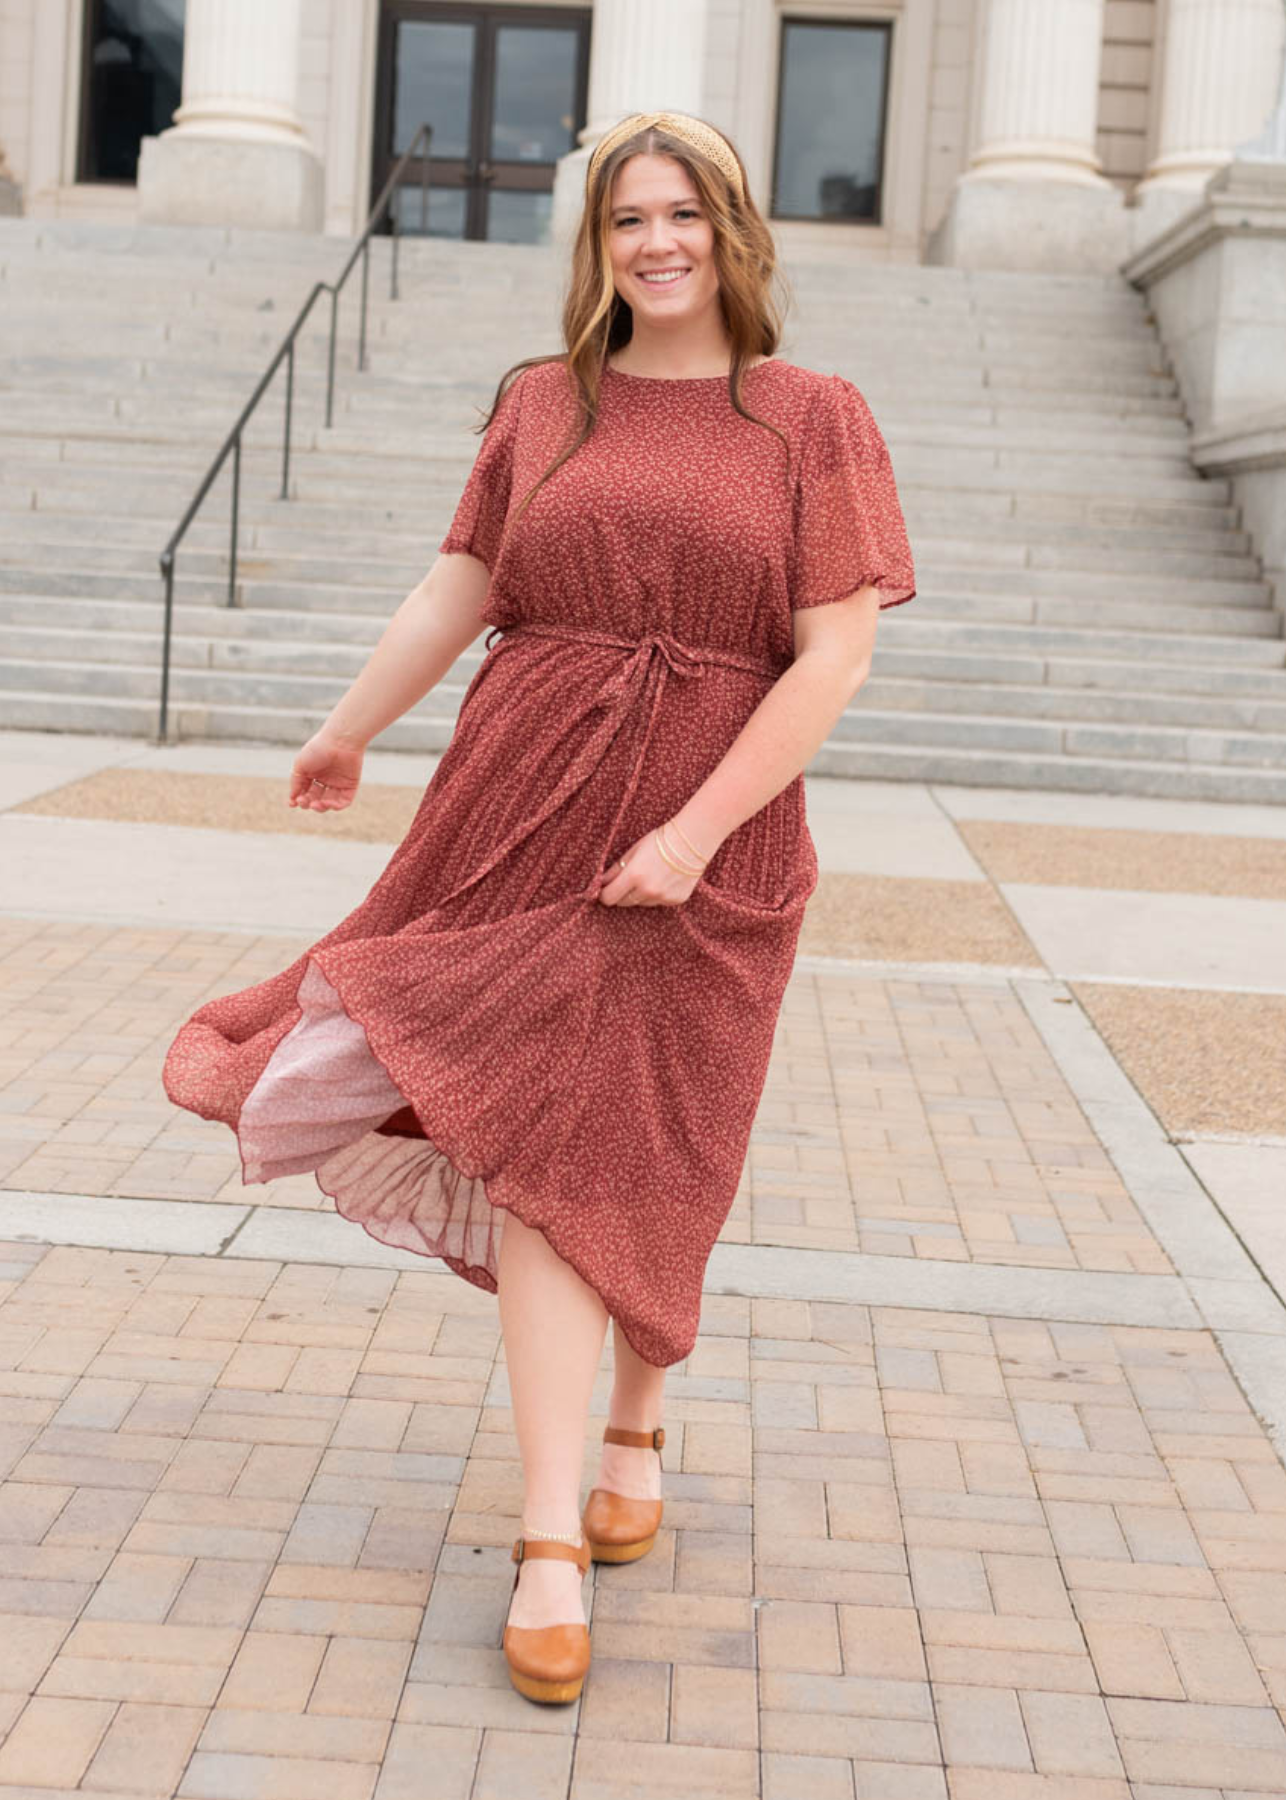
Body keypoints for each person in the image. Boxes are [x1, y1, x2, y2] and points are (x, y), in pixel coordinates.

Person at [161, 108, 915, 1706]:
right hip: (518, 812)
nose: (654, 244)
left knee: (660, 1142)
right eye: (625, 219)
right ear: (595, 243)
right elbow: (466, 582)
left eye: (682, 217)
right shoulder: (539, 401)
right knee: (548, 1148)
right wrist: (349, 720)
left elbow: (833, 654)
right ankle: (551, 1534)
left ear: (732, 232)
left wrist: (697, 833)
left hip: (711, 839)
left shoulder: (808, 417)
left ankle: (637, 1432)